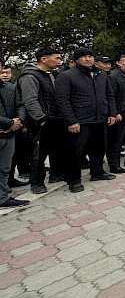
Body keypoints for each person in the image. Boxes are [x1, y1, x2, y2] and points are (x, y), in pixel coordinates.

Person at [55, 48, 118, 191]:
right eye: (84, 57)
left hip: (100, 118)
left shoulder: (101, 74)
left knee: (99, 148)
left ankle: (97, 172)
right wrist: (71, 121)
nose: (88, 59)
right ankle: (74, 180)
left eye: (90, 56)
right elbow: (62, 101)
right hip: (80, 121)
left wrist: (112, 113)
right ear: (76, 60)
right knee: (75, 153)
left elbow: (109, 95)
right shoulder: (66, 76)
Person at [16, 48, 65, 194]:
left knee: (56, 149)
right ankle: (36, 182)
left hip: (54, 118)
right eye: (56, 58)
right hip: (39, 121)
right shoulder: (30, 76)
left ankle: (56, 175)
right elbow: (30, 100)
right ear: (44, 59)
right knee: (39, 154)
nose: (59, 61)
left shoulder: (51, 74)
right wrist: (41, 119)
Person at [0, 59, 29, 207]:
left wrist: (18, 121)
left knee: (5, 168)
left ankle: (3, 197)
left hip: (9, 134)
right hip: (5, 128)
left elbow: (20, 105)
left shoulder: (10, 87)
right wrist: (9, 123)